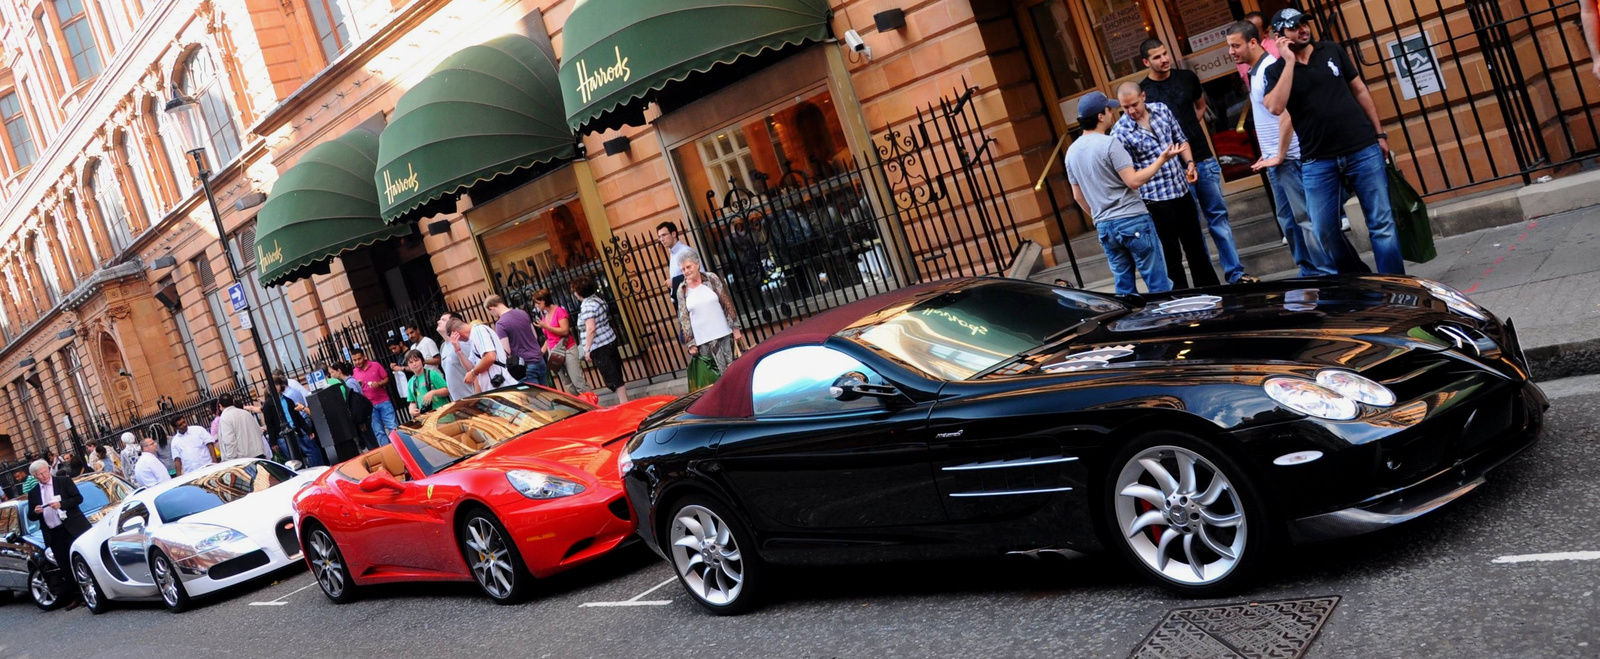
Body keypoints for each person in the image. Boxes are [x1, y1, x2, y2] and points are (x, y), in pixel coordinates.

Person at [1263, 8, 1404, 275]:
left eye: (1305, 23)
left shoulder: (1332, 50)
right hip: (1318, 159)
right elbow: (1275, 107)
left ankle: (1394, 288)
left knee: (1381, 223)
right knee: (1324, 229)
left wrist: (1379, 134)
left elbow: (1359, 89)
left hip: (1362, 147)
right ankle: (1357, 278)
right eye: (1294, 26)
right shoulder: (1277, 70)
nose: (1303, 29)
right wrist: (1290, 62)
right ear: (1280, 35)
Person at [1138, 39, 1257, 285]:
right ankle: (1206, 281)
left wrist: (1187, 134)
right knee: (1190, 229)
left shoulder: (1187, 78)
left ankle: (1235, 274)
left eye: (1165, 53)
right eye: (1157, 57)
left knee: (1218, 217)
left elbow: (1200, 107)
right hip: (1173, 170)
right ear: (1146, 62)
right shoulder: (1144, 91)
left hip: (1203, 158)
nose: (1164, 59)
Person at [1228, 20, 1339, 277]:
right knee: (1289, 221)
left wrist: (1278, 154)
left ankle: (1326, 273)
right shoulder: (1255, 71)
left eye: (1236, 46)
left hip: (1288, 157)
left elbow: (1286, 115)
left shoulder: (1269, 69)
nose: (1231, 52)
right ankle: (1309, 270)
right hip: (1275, 159)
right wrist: (1269, 153)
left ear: (1253, 42)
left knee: (1304, 219)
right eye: (1229, 47)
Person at [1111, 82, 1220, 290]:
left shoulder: (1161, 109)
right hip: (1155, 200)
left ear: (1143, 96)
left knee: (1196, 247)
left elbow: (1181, 141)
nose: (1131, 111)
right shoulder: (1120, 132)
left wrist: (1189, 163)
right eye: (1125, 108)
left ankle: (1212, 293)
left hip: (1181, 190)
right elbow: (1130, 173)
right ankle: (1180, 302)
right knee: (1171, 256)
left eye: (1134, 104)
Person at [1066, 91, 1177, 296]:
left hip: (1105, 226)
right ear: (1101, 116)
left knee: (1124, 289)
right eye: (1109, 109)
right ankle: (1167, 323)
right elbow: (1134, 181)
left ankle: (1129, 326)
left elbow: (1078, 196)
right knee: (1158, 283)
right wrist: (1161, 159)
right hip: (1132, 218)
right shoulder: (1109, 143)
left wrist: (1099, 217)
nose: (1112, 113)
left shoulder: (1071, 152)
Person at [27, 459, 90, 608]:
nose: (43, 476)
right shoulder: (34, 492)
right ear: (35, 476)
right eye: (39, 475)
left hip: (72, 528)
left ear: (48, 469)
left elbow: (78, 498)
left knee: (81, 560)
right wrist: (36, 512)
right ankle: (76, 596)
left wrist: (61, 504)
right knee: (65, 566)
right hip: (54, 533)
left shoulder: (63, 482)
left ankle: (90, 590)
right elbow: (31, 515)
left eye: (44, 472)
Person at [676, 253, 744, 373]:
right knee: (715, 378)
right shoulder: (682, 290)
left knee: (735, 372)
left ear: (697, 264)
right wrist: (690, 343)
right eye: (683, 269)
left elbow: (726, 302)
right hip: (703, 343)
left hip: (724, 335)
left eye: (688, 267)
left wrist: (735, 328)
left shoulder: (711, 278)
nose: (686, 271)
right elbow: (684, 318)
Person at [572, 275, 628, 402]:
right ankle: (624, 400)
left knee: (612, 376)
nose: (574, 294)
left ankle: (624, 402)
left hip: (599, 345)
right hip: (609, 339)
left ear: (579, 293)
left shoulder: (587, 306)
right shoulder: (598, 300)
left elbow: (591, 328)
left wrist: (587, 349)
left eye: (575, 291)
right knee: (616, 373)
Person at [486, 295, 549, 387]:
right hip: (539, 359)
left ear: (491, 308)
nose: (493, 315)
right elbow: (535, 336)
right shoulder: (522, 313)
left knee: (534, 398)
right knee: (547, 394)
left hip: (524, 365)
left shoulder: (501, 324)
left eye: (490, 312)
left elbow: (506, 350)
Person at [533, 290, 586, 395]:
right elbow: (549, 337)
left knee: (577, 380)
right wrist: (541, 352)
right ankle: (581, 404)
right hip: (554, 352)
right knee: (567, 382)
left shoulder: (559, 311)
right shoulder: (545, 315)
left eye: (537, 303)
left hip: (567, 349)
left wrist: (546, 326)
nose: (536, 306)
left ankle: (591, 403)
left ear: (543, 301)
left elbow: (565, 330)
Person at [272, 374, 324, 466]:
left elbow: (296, 415)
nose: (276, 388)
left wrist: (307, 430)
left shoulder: (288, 398)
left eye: (277, 385)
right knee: (303, 453)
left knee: (308, 451)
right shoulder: (273, 402)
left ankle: (317, 468)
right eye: (274, 385)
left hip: (297, 426)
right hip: (291, 429)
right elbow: (270, 423)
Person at [350, 347, 398, 447]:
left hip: (383, 401)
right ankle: (388, 451)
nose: (357, 362)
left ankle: (400, 448)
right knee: (379, 432)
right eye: (354, 360)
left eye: (359, 359)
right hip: (369, 406)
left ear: (364, 357)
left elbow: (386, 378)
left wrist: (379, 383)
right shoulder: (354, 373)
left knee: (393, 427)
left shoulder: (375, 365)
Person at [448, 318, 511, 394]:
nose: (459, 341)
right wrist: (458, 350)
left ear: (455, 334)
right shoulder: (473, 337)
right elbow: (471, 368)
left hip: (502, 386)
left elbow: (490, 357)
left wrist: (473, 373)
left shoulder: (478, 331)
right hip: (493, 389)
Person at [327, 361, 379, 451]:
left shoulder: (349, 383)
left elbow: (356, 404)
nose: (331, 375)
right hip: (362, 417)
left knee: (371, 444)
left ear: (339, 371)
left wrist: (361, 421)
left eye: (332, 372)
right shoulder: (350, 381)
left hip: (361, 418)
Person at [435, 314, 475, 402]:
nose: (438, 322)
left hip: (471, 397)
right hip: (457, 400)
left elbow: (473, 368)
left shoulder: (462, 343)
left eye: (443, 320)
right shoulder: (443, 347)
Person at [657, 221, 700, 301]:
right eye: (659, 237)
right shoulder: (673, 253)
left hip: (692, 298)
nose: (661, 239)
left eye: (664, 235)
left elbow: (698, 274)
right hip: (682, 300)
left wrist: (674, 281)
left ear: (673, 234)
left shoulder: (685, 251)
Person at [216, 393, 266, 461]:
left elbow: (229, 441)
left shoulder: (225, 418)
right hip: (258, 454)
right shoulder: (246, 413)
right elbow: (259, 432)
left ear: (220, 405)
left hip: (242, 460)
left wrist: (230, 460)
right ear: (233, 402)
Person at [405, 350, 451, 416]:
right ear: (408, 365)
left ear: (422, 361)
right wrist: (411, 410)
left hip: (444, 416)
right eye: (411, 362)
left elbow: (447, 390)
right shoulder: (410, 382)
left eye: (416, 360)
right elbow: (412, 401)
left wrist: (433, 392)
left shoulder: (432, 374)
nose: (414, 364)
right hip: (426, 419)